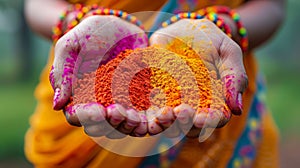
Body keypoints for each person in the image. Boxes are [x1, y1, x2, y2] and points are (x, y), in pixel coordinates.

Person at [24, 0, 285, 167]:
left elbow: (272, 5)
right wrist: (74, 22)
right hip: (90, 66)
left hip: (213, 74)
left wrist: (222, 27)